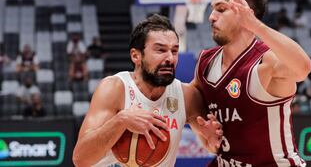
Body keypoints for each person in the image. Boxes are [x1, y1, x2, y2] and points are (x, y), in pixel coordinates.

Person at [190, 0, 311, 166]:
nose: (211, 17)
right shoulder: (206, 62)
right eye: (213, 9)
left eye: (221, 9)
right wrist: (202, 131)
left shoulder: (266, 62)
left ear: (247, 14)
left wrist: (255, 26)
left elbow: (303, 68)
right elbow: (189, 101)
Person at [73, 14, 222, 167]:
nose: (170, 58)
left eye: (174, 51)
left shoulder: (186, 96)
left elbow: (210, 145)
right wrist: (121, 120)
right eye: (160, 50)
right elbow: (80, 159)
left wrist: (212, 141)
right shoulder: (114, 88)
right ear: (136, 56)